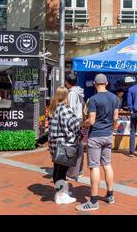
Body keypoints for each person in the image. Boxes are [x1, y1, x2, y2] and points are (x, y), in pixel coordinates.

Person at [76, 74, 119, 212]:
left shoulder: (93, 99)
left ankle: (94, 201)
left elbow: (92, 120)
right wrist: (110, 129)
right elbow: (116, 118)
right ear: (106, 83)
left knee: (94, 167)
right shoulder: (114, 98)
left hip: (95, 136)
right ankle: (110, 195)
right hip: (107, 135)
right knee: (107, 164)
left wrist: (83, 123)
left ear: (95, 84)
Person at [47, 86, 82, 205]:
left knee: (57, 169)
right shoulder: (65, 109)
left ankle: (60, 192)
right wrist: (79, 135)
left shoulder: (53, 108)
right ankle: (61, 195)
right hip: (65, 144)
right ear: (66, 96)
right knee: (62, 170)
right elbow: (75, 125)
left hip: (54, 144)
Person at [65, 74, 86, 180]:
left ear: (67, 82)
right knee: (79, 147)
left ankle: (73, 172)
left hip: (74, 122)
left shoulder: (72, 93)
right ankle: (80, 169)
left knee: (73, 147)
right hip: (80, 121)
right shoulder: (79, 91)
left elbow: (71, 109)